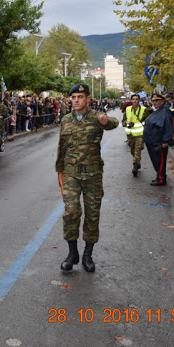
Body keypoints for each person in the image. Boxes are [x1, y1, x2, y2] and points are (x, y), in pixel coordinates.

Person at [55, 83, 118, 273]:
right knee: (71, 211)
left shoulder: (96, 118)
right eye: (73, 98)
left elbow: (114, 123)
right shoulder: (66, 120)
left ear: (88, 99)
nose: (76, 101)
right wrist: (60, 172)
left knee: (92, 214)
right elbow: (62, 147)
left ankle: (87, 254)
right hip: (71, 173)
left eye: (80, 97)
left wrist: (105, 121)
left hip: (92, 175)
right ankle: (72, 253)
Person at [143, 93, 173, 186]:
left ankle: (161, 179)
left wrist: (165, 141)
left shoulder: (165, 112)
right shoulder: (156, 110)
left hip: (158, 141)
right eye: (153, 101)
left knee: (160, 162)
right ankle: (159, 176)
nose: (155, 102)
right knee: (156, 161)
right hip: (151, 141)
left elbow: (168, 127)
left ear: (162, 101)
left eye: (157, 101)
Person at [122, 94, 150, 176]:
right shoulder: (128, 109)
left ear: (139, 100)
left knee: (138, 150)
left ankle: (135, 166)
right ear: (131, 101)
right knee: (133, 150)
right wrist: (126, 123)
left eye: (136, 99)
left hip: (140, 134)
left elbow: (148, 121)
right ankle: (137, 163)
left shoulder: (144, 110)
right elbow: (123, 121)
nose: (135, 101)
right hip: (130, 134)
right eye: (133, 99)